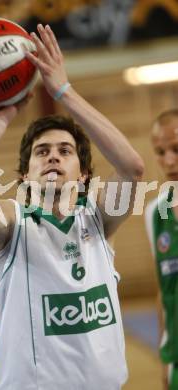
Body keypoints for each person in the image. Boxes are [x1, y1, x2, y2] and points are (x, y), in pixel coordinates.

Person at [0, 24, 144, 390]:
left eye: (65, 152)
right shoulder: (11, 224)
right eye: (42, 152)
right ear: (25, 175)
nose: (53, 157)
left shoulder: (98, 218)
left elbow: (132, 167)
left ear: (83, 176)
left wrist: (64, 91)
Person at [145, 109, 178, 390]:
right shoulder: (155, 213)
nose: (169, 161)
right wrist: (164, 359)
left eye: (177, 149)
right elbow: (162, 291)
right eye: (160, 151)